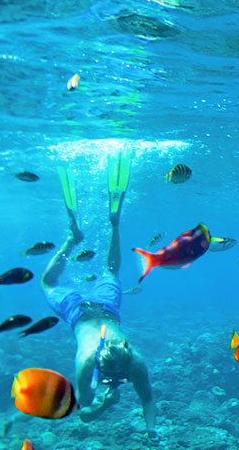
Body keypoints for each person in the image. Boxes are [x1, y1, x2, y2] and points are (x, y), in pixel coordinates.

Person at [40, 152, 156, 428]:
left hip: (103, 308)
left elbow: (84, 409)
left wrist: (105, 405)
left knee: (105, 273)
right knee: (57, 281)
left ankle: (97, 230)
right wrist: (106, 404)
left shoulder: (99, 361)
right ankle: (101, 228)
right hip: (80, 311)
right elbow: (89, 413)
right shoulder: (97, 361)